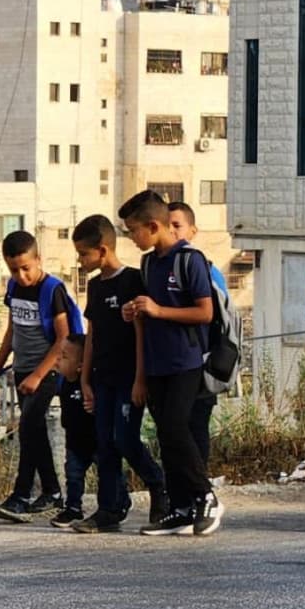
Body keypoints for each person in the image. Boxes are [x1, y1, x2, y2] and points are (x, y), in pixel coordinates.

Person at [118, 190, 224, 536]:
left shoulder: (189, 260)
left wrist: (159, 310)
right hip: (156, 361)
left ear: (152, 225)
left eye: (134, 230)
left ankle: (206, 495)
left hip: (186, 360)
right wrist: (134, 311)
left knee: (178, 428)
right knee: (165, 433)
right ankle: (181, 507)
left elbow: (204, 312)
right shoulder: (149, 263)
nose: (132, 238)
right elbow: (146, 314)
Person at [69, 214, 167, 534]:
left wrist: (141, 378)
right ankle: (109, 508)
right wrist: (85, 379)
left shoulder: (133, 280)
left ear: (102, 250)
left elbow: (142, 334)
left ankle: (157, 483)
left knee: (124, 438)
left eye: (84, 254)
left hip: (129, 377)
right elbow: (92, 332)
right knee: (104, 443)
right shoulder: (95, 286)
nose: (81, 261)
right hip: (102, 377)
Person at [0, 231, 69, 523]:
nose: (21, 275)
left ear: (38, 260)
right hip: (22, 371)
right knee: (35, 433)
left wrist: (38, 374)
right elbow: (12, 331)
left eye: (26, 268)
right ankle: (52, 492)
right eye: (14, 269)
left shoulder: (52, 290)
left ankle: (21, 496)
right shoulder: (14, 288)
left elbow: (63, 340)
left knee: (28, 427)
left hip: (48, 371)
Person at [167, 201, 224, 469]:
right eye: (168, 226)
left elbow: (219, 318)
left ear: (192, 230)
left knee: (197, 424)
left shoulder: (205, 269)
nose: (172, 231)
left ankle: (200, 487)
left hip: (202, 361)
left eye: (177, 225)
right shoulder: (159, 266)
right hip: (173, 363)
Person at [51, 334, 97, 528]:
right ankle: (73, 508)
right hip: (74, 440)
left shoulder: (89, 385)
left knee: (108, 470)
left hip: (95, 439)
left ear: (80, 365)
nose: (59, 360)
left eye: (65, 356)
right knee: (73, 475)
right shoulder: (62, 383)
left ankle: (118, 502)